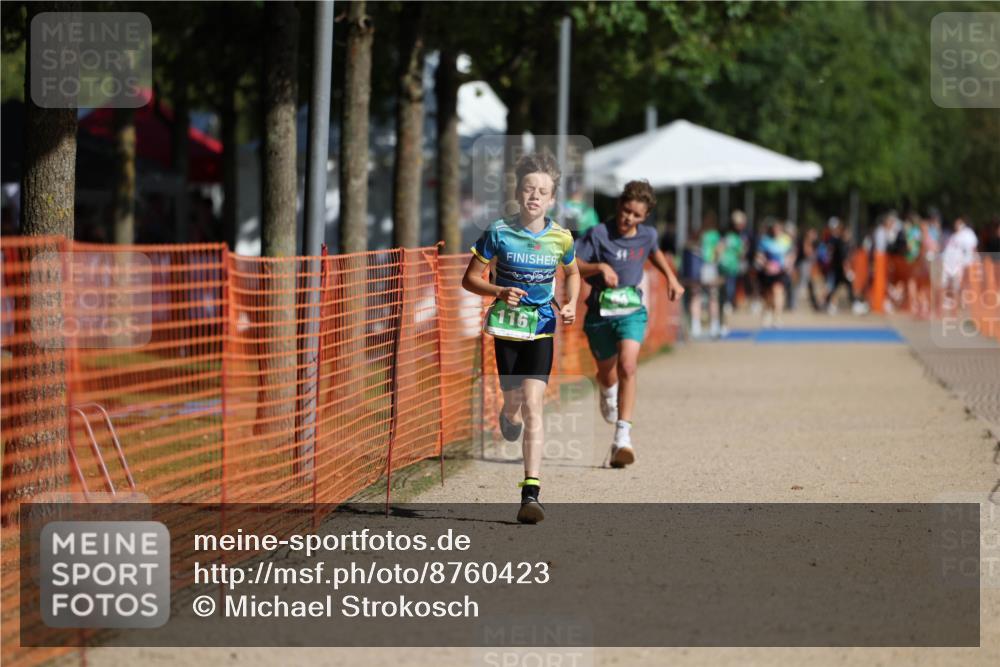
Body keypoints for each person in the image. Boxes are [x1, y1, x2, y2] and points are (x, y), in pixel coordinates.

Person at [462, 152, 580, 524]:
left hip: (542, 327)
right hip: (507, 328)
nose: (534, 196)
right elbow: (470, 279)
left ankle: (531, 492)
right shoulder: (498, 232)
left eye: (542, 191)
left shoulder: (561, 237)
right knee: (513, 400)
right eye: (529, 188)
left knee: (534, 404)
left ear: (551, 199)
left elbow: (573, 273)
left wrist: (571, 302)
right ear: (517, 191)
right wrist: (498, 291)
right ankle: (506, 413)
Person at [574, 180, 684, 468]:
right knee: (608, 375)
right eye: (626, 211)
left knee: (629, 366)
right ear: (618, 206)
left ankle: (622, 437)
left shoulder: (647, 235)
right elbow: (571, 264)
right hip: (599, 313)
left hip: (631, 311)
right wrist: (598, 266)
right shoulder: (598, 234)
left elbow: (654, 252)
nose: (629, 219)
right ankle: (607, 391)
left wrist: (671, 278)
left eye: (636, 215)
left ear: (644, 217)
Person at [755, 218, 792, 328]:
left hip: (781, 272)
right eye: (774, 229)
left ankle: (777, 317)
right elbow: (759, 256)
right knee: (768, 295)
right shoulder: (764, 241)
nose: (776, 231)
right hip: (767, 272)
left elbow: (791, 255)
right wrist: (765, 264)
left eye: (778, 229)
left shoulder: (786, 240)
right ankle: (767, 312)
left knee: (778, 291)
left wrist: (787, 265)